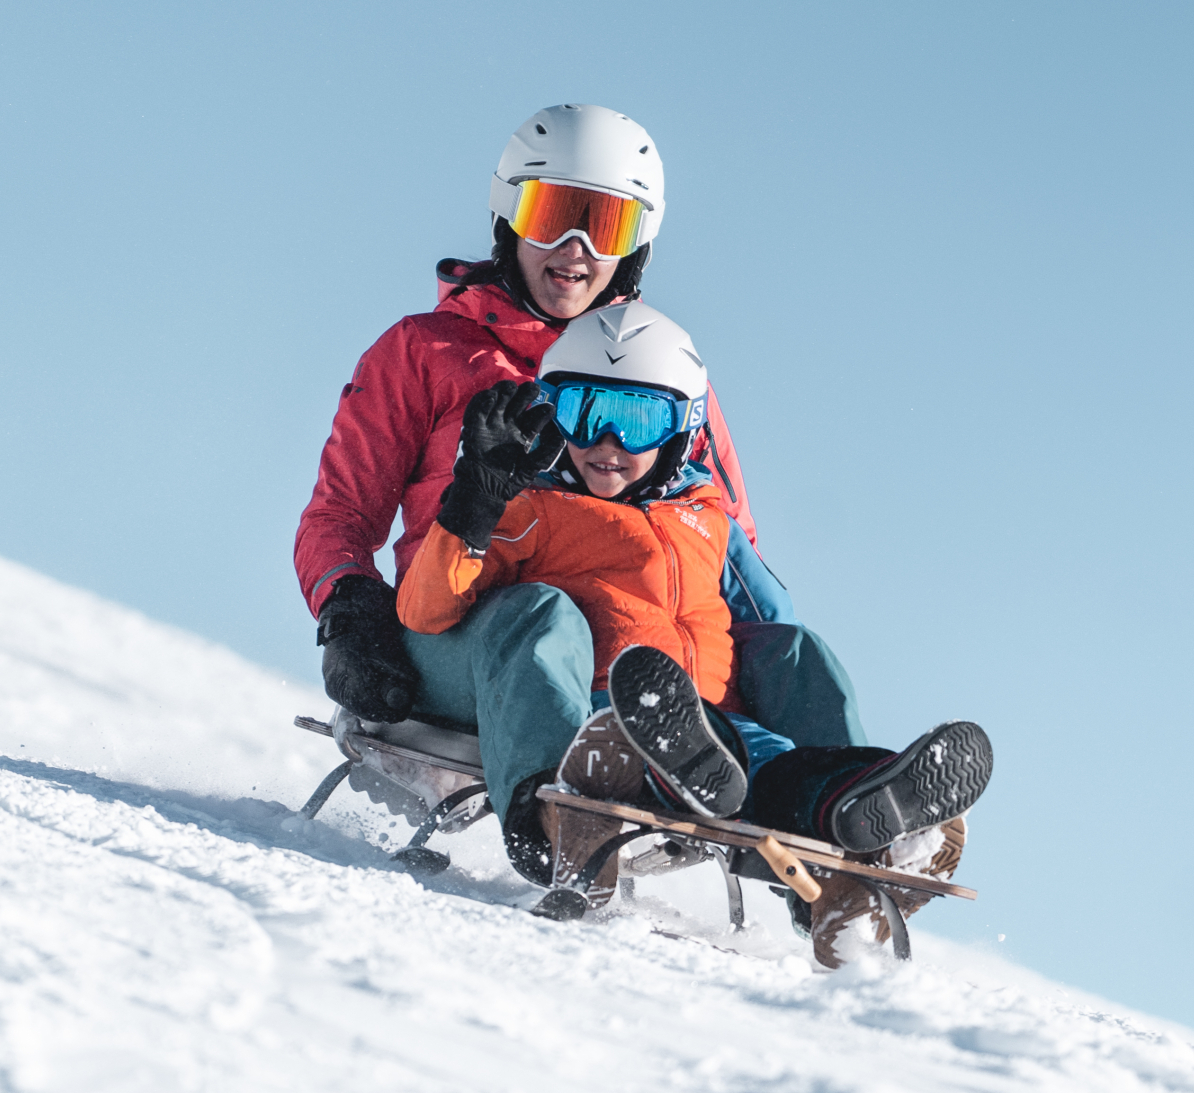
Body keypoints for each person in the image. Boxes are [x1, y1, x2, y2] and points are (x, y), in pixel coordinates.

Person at [395, 303, 993, 967]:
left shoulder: (708, 518)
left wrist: (784, 681)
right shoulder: (532, 507)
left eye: (638, 419)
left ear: (682, 429)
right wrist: (477, 493)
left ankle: (859, 818)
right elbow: (429, 610)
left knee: (784, 710)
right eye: (582, 412)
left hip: (716, 730)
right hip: (604, 722)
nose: (607, 442)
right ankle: (558, 817)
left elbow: (775, 617)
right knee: (629, 713)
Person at [296, 104, 761, 728]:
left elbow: (726, 540)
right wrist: (349, 604)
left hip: (634, 653)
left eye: (606, 227)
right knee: (545, 617)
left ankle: (840, 794)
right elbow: (341, 512)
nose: (577, 249)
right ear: (508, 217)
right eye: (552, 217)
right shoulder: (426, 352)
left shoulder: (665, 377)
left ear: (636, 247)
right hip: (465, 624)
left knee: (788, 652)